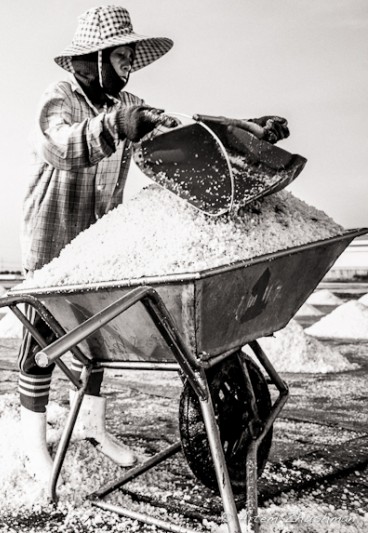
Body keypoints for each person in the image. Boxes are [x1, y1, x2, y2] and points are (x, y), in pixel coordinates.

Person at [18, 5, 291, 484]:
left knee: (97, 334)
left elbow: (181, 127)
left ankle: (94, 428)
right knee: (42, 340)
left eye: (129, 59)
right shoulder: (61, 97)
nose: (128, 69)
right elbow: (57, 146)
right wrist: (115, 127)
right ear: (95, 58)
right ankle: (34, 445)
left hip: (99, 240)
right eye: (121, 58)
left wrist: (243, 128)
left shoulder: (130, 103)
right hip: (52, 237)